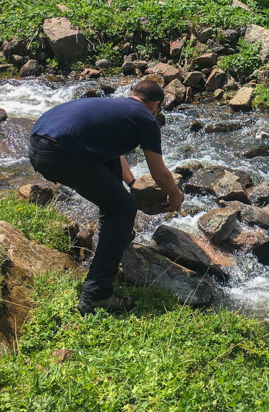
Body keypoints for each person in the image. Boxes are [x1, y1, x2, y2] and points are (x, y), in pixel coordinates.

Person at [28, 80, 185, 315]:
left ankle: (118, 236)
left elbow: (111, 154)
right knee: (122, 209)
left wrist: (132, 183)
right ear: (155, 105)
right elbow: (159, 172)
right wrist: (175, 193)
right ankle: (97, 294)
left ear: (133, 95)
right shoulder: (145, 118)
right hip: (61, 153)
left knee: (114, 198)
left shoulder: (115, 107)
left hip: (37, 144)